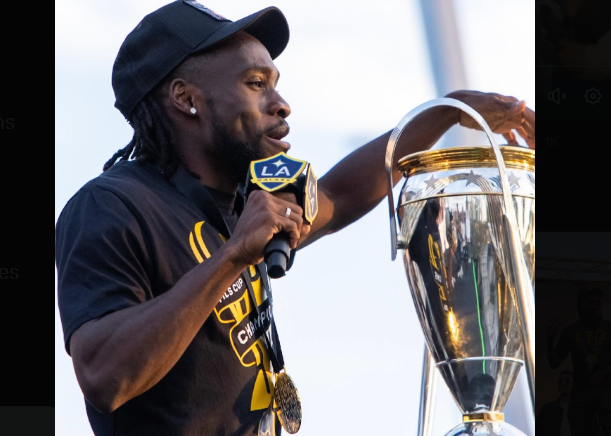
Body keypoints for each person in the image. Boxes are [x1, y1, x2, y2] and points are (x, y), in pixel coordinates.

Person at [54, 1, 535, 435]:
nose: (280, 104)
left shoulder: (248, 202)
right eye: (255, 84)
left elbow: (339, 195)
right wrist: (232, 257)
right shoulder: (111, 206)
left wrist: (445, 113)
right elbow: (103, 375)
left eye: (276, 84)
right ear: (186, 99)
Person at [547, 286, 611, 436]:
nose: (596, 306)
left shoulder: (609, 328)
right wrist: (549, 340)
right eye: (591, 303)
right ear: (581, 306)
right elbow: (554, 363)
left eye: (598, 303)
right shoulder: (571, 331)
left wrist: (605, 371)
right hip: (581, 390)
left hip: (606, 389)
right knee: (578, 430)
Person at [537, 370, 574, 436]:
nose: (563, 383)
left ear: (574, 384)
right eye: (560, 381)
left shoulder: (581, 409)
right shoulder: (547, 410)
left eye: (567, 381)